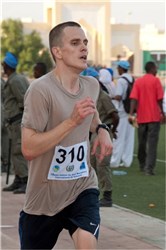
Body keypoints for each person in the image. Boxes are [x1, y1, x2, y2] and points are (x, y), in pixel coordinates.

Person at [19, 21, 113, 250]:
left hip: (81, 185)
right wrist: (71, 122)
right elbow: (29, 149)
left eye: (85, 42)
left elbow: (91, 116)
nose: (84, 48)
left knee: (87, 242)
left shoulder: (91, 84)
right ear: (57, 52)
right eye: (75, 43)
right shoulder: (40, 90)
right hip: (44, 196)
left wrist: (102, 130)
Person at [86, 67, 119, 207]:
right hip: (93, 134)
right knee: (92, 165)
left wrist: (112, 129)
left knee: (102, 164)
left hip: (103, 133)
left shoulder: (102, 96)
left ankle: (107, 196)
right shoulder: (89, 96)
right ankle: (96, 192)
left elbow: (114, 115)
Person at [129, 61, 164, 175]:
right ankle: (149, 169)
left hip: (141, 117)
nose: (156, 70)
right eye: (156, 68)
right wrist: (162, 113)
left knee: (142, 143)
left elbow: (134, 98)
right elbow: (159, 99)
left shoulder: (138, 81)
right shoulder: (156, 80)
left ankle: (142, 164)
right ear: (152, 69)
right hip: (154, 117)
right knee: (152, 144)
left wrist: (131, 114)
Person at [2, 52, 29, 194]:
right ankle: (19, 179)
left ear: (7, 66)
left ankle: (25, 180)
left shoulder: (15, 81)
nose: (2, 65)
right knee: (14, 152)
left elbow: (24, 100)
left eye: (3, 64)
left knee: (18, 152)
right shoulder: (14, 79)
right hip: (14, 123)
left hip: (18, 121)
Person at [110, 60, 135, 168]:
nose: (117, 70)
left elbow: (119, 96)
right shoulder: (132, 79)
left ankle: (115, 161)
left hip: (121, 111)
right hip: (131, 111)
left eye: (118, 68)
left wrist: (109, 97)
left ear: (121, 68)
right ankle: (127, 161)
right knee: (129, 138)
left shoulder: (121, 81)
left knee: (118, 136)